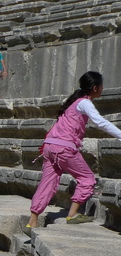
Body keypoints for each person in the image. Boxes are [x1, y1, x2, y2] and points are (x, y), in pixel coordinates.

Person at [25, 71, 121, 233]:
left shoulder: (73, 102)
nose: (103, 88)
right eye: (102, 86)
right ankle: (73, 214)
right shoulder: (84, 103)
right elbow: (101, 123)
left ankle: (32, 222)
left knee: (47, 183)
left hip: (49, 146)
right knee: (87, 178)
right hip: (63, 148)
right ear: (95, 88)